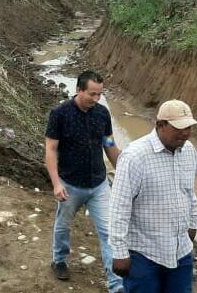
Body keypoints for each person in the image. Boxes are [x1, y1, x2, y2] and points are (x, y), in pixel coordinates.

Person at [109, 100, 197, 293]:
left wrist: (193, 223)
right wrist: (119, 252)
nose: (185, 133)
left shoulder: (189, 151)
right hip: (144, 254)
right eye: (179, 128)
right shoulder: (135, 156)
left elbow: (189, 192)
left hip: (181, 251)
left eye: (189, 127)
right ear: (160, 125)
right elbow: (119, 206)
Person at [44, 70, 123, 293]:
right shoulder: (60, 113)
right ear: (79, 90)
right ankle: (59, 259)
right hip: (70, 184)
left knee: (109, 233)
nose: (96, 99)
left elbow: (109, 144)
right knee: (63, 226)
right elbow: (51, 149)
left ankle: (116, 285)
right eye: (92, 94)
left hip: (99, 184)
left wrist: (124, 171)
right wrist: (56, 183)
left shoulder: (102, 113)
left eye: (100, 94)